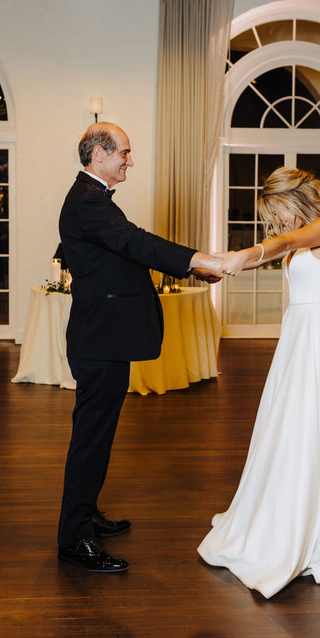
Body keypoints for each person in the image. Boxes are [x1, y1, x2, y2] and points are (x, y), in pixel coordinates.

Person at [197, 167, 320, 598]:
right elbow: (279, 251)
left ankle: (316, 522)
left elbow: (283, 244)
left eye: (280, 209)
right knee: (287, 430)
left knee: (312, 430)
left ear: (296, 198)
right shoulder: (307, 232)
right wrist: (228, 265)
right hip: (299, 335)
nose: (280, 221)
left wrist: (245, 254)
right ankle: (287, 510)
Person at [57, 122, 222, 573]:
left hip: (104, 338)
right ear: (98, 155)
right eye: (124, 153)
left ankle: (85, 515)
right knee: (90, 442)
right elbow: (136, 243)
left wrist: (190, 269)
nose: (130, 160)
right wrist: (196, 259)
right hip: (98, 341)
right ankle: (74, 539)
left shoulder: (93, 202)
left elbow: (125, 248)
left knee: (100, 437)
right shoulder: (88, 203)